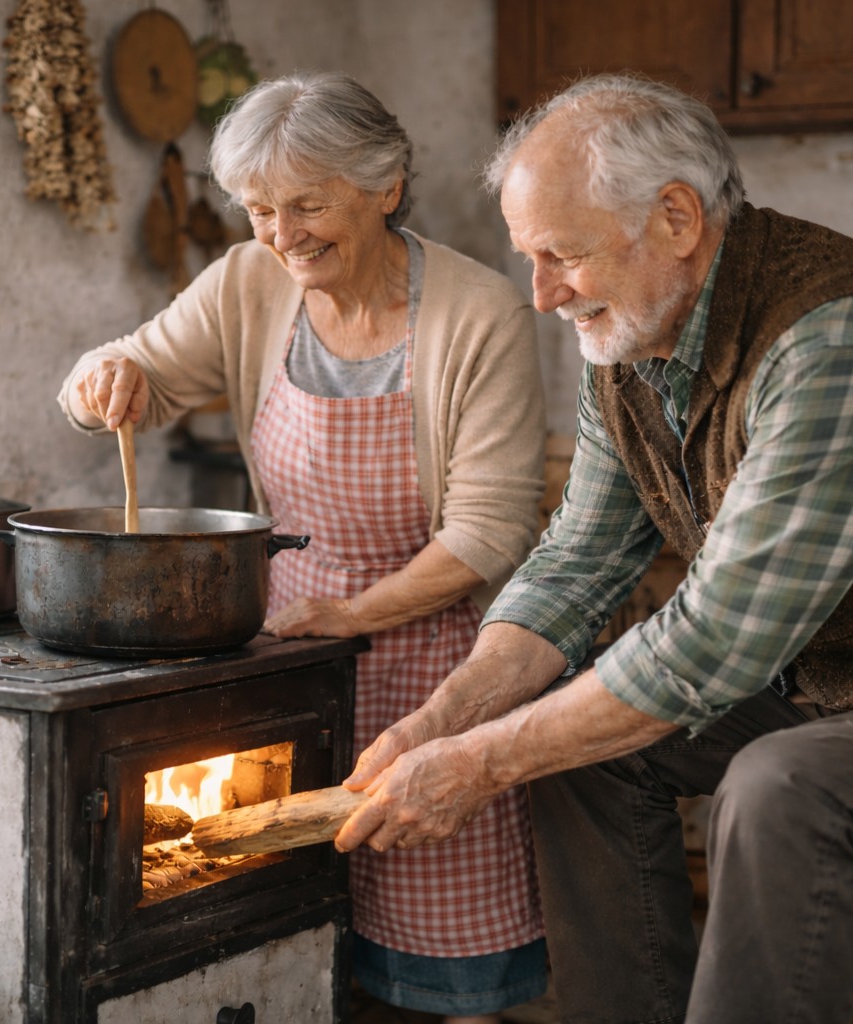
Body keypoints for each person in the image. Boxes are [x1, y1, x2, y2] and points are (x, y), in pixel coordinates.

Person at [335, 72, 853, 1024]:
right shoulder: (628, 340)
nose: (542, 294)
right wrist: (447, 720)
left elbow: (716, 643)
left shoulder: (842, 340)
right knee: (577, 748)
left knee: (780, 790)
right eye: (528, 258)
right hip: (834, 689)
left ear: (676, 217)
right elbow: (576, 565)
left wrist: (480, 764)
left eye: (561, 255)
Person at [58, 72, 550, 1023]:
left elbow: (492, 531)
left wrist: (359, 616)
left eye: (310, 204)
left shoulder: (479, 310)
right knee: (279, 922)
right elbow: (142, 374)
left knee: (444, 941)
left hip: (433, 652)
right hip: (284, 650)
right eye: (259, 209)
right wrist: (97, 376)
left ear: (387, 186)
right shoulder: (249, 282)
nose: (283, 233)